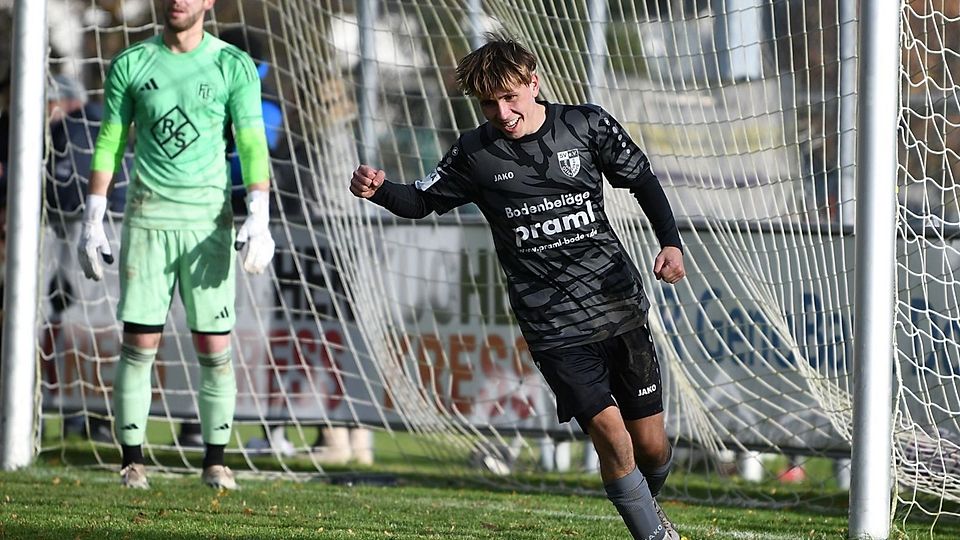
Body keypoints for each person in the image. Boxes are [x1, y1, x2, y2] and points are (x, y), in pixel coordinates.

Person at [350, 35, 685, 540]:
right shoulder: (475, 153)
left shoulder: (585, 125)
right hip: (552, 324)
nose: (502, 112)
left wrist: (671, 243)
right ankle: (653, 535)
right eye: (489, 102)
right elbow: (420, 201)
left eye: (510, 97)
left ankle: (647, 507)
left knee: (652, 447)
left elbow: (641, 179)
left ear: (534, 82)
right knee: (612, 439)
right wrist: (380, 191)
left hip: (618, 306)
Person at [78, 0, 276, 490]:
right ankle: (132, 462)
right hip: (147, 220)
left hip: (208, 225)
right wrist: (94, 216)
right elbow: (110, 139)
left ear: (209, 1)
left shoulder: (233, 65)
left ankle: (215, 461)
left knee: (214, 346)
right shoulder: (130, 62)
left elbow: (251, 141)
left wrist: (260, 215)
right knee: (139, 343)